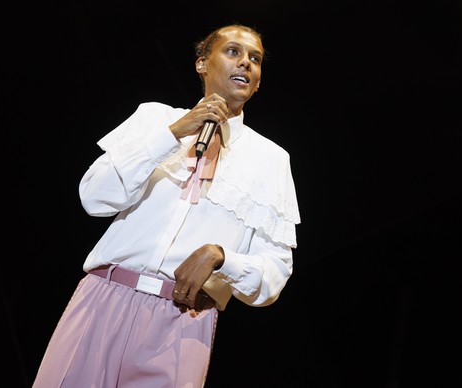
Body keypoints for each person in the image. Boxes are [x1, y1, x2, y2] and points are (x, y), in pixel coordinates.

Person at [32, 23, 300, 388]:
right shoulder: (154, 117)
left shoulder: (272, 160)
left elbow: (274, 276)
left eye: (255, 59)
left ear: (258, 82)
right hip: (104, 298)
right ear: (202, 64)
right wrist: (172, 133)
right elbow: (94, 198)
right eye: (233, 52)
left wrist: (222, 257)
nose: (246, 64)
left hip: (183, 322)